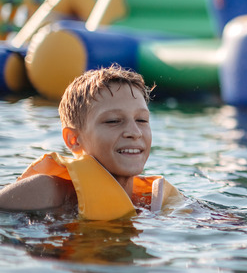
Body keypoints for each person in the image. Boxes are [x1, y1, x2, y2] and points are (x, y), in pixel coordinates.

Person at [0, 65, 183, 219]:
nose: (134, 132)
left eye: (142, 120)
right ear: (74, 139)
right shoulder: (49, 192)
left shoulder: (154, 200)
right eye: (113, 121)